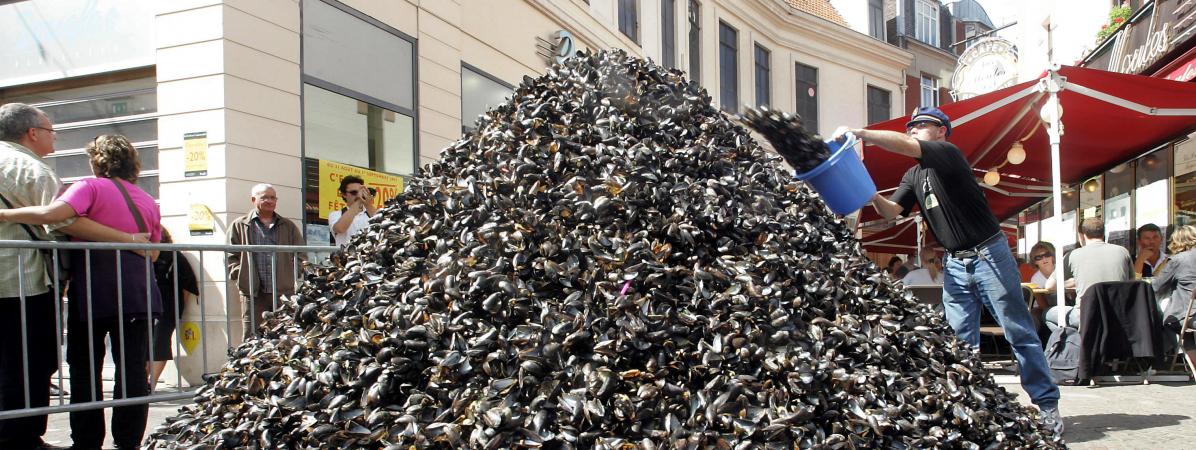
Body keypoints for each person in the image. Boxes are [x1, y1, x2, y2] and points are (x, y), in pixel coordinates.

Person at [835, 106, 1062, 436]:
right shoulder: (913, 176)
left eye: (921, 125)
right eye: (910, 126)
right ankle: (969, 408)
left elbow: (906, 145)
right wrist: (868, 191)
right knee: (958, 341)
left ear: (941, 131)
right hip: (955, 260)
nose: (913, 129)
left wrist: (861, 133)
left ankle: (1047, 407)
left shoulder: (947, 154)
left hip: (989, 253)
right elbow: (892, 213)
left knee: (1019, 331)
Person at [0, 134, 163, 450]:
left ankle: (87, 441)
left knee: (86, 369)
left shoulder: (89, 186)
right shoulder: (145, 200)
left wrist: (5, 215)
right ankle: (127, 442)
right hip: (139, 295)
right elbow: (154, 252)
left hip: (94, 293)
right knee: (131, 372)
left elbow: (52, 216)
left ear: (96, 161)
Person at [228, 184, 305, 341]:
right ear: (253, 199)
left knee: (285, 335)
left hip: (283, 293)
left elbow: (301, 254)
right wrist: (241, 275)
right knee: (252, 337)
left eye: (272, 197)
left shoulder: (288, 226)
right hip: (253, 293)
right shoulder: (239, 225)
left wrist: (291, 274)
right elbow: (230, 255)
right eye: (264, 197)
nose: (269, 201)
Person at [1044, 217, 1134, 331]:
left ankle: (1076, 342)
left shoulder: (1072, 255)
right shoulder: (1123, 251)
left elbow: (1049, 286)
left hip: (1085, 314)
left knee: (1046, 314)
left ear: (1082, 235)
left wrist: (1072, 283)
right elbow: (1131, 283)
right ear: (1103, 233)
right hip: (1118, 313)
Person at [148, 227, 199, 392]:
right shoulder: (137, 255)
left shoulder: (173, 255)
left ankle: (151, 383)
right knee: (144, 344)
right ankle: (143, 382)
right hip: (143, 306)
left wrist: (178, 308)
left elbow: (186, 285)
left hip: (166, 306)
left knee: (159, 343)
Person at [1151, 225, 1196, 334]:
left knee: (1168, 318)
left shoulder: (1178, 260)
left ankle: (1175, 349)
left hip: (1188, 315)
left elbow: (1156, 287)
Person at [327, 175, 377, 247]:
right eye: (354, 192)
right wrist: (359, 200)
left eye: (361, 192)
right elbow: (340, 229)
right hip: (347, 256)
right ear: (344, 194)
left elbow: (382, 223)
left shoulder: (370, 212)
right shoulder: (336, 214)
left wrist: (368, 204)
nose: (358, 195)